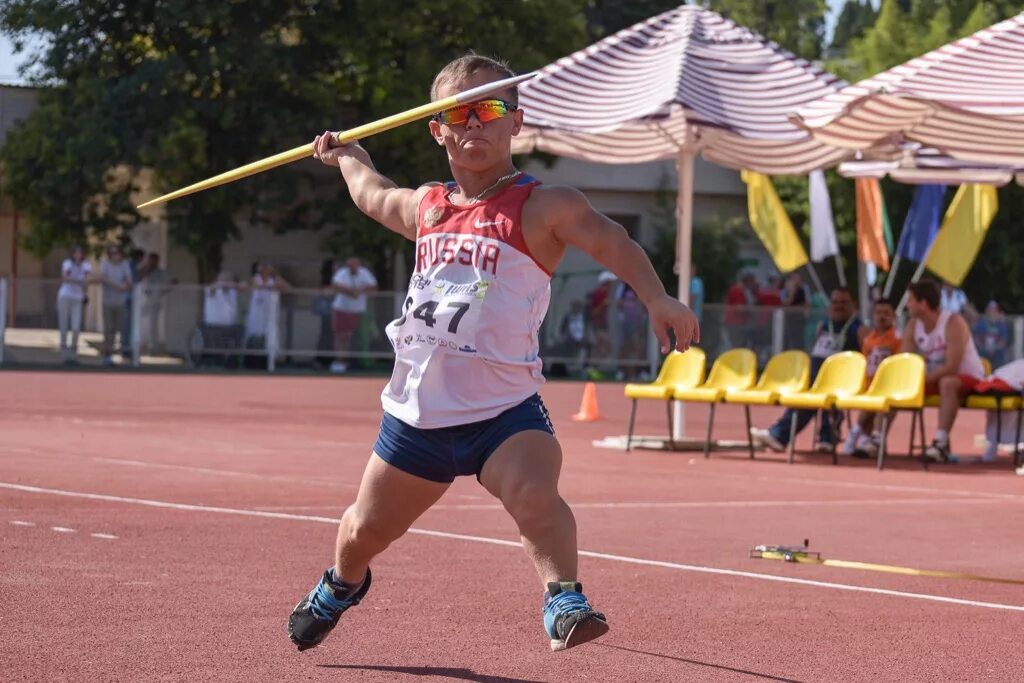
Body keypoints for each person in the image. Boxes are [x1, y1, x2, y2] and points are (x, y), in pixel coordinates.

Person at [288, 54, 698, 654]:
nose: (475, 123)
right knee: (362, 531)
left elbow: (613, 239)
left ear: (516, 122)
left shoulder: (544, 205)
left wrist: (658, 297)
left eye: (491, 108)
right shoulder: (429, 206)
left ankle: (564, 599)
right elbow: (373, 196)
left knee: (535, 494)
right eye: (459, 111)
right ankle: (342, 584)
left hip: (504, 409)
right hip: (418, 416)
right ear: (438, 128)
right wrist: (347, 155)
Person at [750, 287, 862, 453]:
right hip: (814, 378)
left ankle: (788, 435)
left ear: (853, 305)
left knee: (819, 398)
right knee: (805, 397)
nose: (839, 306)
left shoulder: (858, 329)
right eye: (835, 302)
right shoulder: (823, 325)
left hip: (840, 381)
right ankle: (783, 435)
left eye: (844, 303)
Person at [902, 279, 986, 463]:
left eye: (910, 300)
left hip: (968, 377)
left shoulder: (953, 322)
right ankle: (872, 437)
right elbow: (906, 361)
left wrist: (925, 378)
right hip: (934, 377)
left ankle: (940, 441)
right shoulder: (912, 326)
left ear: (923, 303)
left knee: (947, 382)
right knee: (895, 386)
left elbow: (952, 366)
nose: (907, 305)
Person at [841, 298, 902, 458]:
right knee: (870, 403)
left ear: (894, 316)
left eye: (886, 313)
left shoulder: (897, 338)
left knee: (882, 402)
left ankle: (872, 437)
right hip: (871, 385)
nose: (882, 317)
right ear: (873, 315)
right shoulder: (869, 339)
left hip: (890, 385)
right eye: (878, 312)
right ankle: (860, 434)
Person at [328, 256, 378, 373]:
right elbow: (335, 285)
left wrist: (360, 290)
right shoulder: (342, 273)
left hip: (357, 311)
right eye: (350, 263)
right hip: (341, 308)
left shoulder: (364, 273)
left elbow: (374, 287)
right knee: (341, 336)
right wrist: (350, 292)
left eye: (355, 263)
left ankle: (355, 361)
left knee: (354, 337)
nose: (352, 266)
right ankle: (340, 361)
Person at [56, 246, 92, 364]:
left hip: (77, 297)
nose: (78, 255)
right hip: (65, 295)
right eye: (76, 253)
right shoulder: (67, 263)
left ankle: (73, 351)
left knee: (76, 326)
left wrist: (82, 285)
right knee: (64, 324)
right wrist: (79, 282)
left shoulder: (86, 265)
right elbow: (65, 278)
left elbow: (87, 280)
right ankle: (63, 350)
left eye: (80, 253)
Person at [99, 245, 133, 366]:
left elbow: (129, 280)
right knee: (109, 328)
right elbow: (103, 277)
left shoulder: (124, 264)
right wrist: (117, 286)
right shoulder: (105, 263)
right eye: (113, 253)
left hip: (120, 302)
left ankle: (121, 352)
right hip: (108, 302)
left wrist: (126, 286)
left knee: (120, 328)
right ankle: (106, 355)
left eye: (117, 253)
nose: (115, 255)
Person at [244, 262, 289, 347]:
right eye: (263, 268)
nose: (265, 270)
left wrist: (277, 280)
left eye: (268, 268)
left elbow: (288, 289)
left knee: (269, 335)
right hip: (257, 309)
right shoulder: (255, 279)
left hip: (270, 311)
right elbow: (244, 286)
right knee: (254, 334)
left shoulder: (275, 279)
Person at [973, 300, 1010, 368]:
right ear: (986, 311)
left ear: (997, 312)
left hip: (996, 350)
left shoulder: (1001, 325)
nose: (992, 312)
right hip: (983, 349)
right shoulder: (980, 323)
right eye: (990, 310)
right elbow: (976, 338)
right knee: (979, 352)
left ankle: (998, 374)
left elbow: (1003, 341)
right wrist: (983, 347)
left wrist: (995, 348)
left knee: (1000, 352)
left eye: (994, 310)